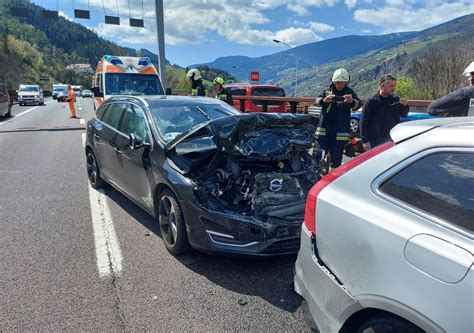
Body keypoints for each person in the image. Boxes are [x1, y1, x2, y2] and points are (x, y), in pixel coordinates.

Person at [315, 68, 361, 170]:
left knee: (336, 161)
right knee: (318, 157)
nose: (339, 85)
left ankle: (331, 179)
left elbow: (357, 105)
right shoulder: (327, 91)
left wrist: (351, 101)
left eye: (342, 83)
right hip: (324, 131)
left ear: (346, 82)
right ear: (333, 81)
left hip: (340, 132)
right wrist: (324, 100)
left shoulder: (350, 92)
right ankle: (317, 177)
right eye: (337, 83)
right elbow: (316, 101)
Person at [360, 74, 409, 150]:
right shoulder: (371, 101)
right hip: (375, 141)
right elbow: (363, 122)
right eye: (391, 86)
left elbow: (404, 115)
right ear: (382, 85)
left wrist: (404, 106)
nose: (394, 88)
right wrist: (365, 141)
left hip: (392, 138)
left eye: (394, 86)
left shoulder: (395, 99)